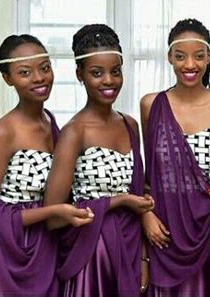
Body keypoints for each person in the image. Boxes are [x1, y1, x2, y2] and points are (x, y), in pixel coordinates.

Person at [0, 34, 93, 296]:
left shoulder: (52, 122)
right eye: (25, 72)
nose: (39, 78)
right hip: (12, 254)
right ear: (7, 78)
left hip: (47, 249)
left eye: (45, 68)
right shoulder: (3, 132)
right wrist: (51, 212)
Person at [43, 24, 154, 297]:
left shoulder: (130, 124)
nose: (108, 81)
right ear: (80, 75)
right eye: (96, 73)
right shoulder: (74, 133)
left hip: (128, 248)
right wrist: (120, 201)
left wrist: (143, 258)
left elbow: (139, 196)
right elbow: (53, 216)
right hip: (91, 254)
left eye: (115, 72)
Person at [140, 18, 210, 296]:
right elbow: (149, 175)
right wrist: (146, 215)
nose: (190, 65)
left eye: (198, 56)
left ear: (209, 57)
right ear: (169, 57)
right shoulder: (151, 104)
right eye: (180, 56)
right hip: (164, 229)